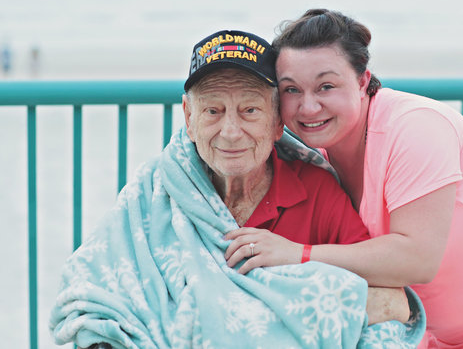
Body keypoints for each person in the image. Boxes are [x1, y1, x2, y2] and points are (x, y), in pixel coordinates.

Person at [224, 10, 463, 349]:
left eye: (326, 86)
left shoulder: (415, 127)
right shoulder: (313, 149)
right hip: (444, 334)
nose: (308, 107)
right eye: (292, 90)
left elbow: (416, 259)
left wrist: (296, 254)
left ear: (362, 81)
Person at [50, 29, 425, 349]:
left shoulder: (317, 191)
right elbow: (89, 297)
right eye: (213, 111)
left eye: (249, 111)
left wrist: (289, 265)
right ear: (189, 118)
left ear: (278, 123)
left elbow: (390, 304)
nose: (230, 132)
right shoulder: (154, 192)